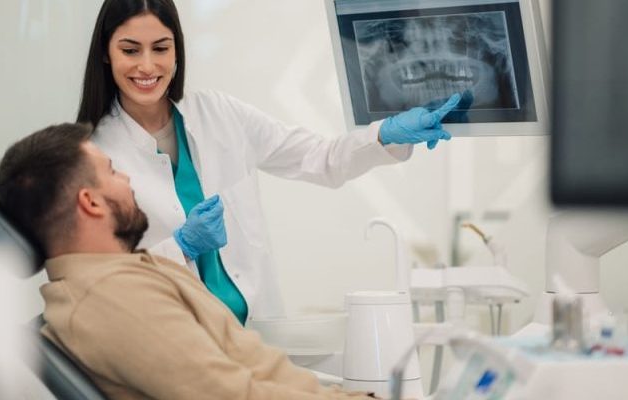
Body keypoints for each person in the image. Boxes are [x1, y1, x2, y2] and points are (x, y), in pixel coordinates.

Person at [76, 0, 461, 324]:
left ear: (177, 51)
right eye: (130, 50)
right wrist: (180, 248)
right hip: (175, 345)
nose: (147, 66)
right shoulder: (93, 155)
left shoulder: (218, 113)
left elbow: (319, 157)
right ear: (106, 56)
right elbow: (103, 286)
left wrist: (384, 136)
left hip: (256, 336)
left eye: (161, 48)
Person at [0, 123, 376, 400]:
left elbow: (250, 370)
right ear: (90, 202)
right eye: (111, 170)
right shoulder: (112, 298)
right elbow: (230, 395)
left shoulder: (123, 275)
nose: (126, 178)